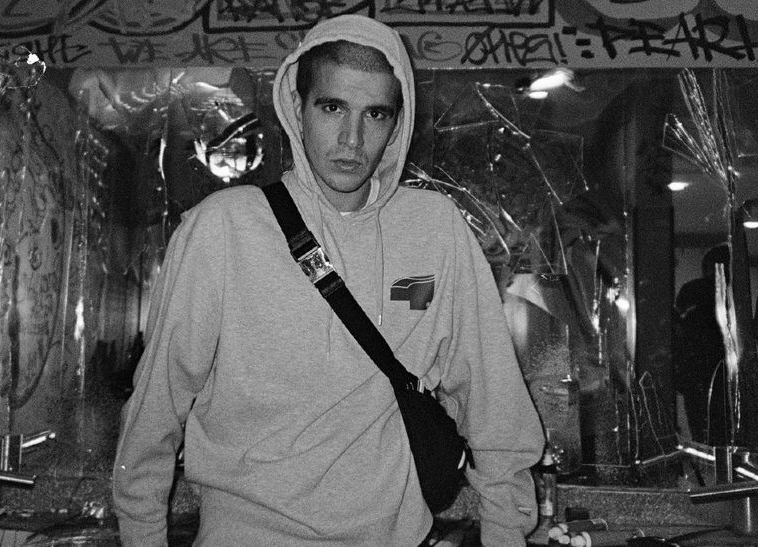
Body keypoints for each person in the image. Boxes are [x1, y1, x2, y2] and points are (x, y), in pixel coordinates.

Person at [112, 14, 544, 547]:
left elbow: (494, 402)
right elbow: (155, 411)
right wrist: (141, 535)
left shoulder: (434, 230)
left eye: (375, 113)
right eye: (332, 107)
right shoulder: (224, 229)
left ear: (398, 123)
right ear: (297, 107)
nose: (351, 139)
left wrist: (507, 532)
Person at [673, 244, 732, 446]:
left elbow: (678, 329)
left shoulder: (694, 291)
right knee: (718, 430)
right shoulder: (702, 292)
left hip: (699, 373)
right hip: (709, 372)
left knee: (705, 432)